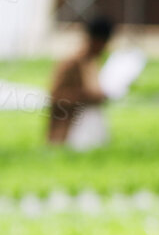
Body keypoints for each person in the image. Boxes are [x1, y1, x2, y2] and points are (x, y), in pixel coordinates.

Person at [46, 14, 114, 146]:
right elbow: (55, 96)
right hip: (67, 128)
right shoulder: (72, 62)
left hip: (87, 122)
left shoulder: (92, 60)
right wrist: (85, 95)